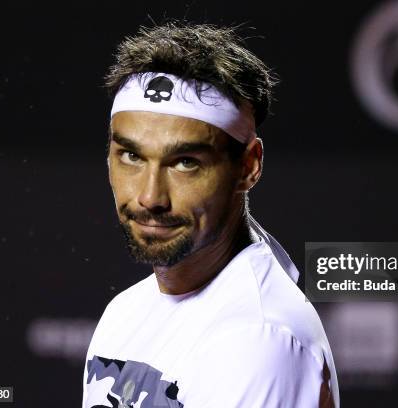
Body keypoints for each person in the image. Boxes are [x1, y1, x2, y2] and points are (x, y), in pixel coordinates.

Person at [82, 21, 339, 408]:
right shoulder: (125, 312)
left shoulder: (258, 340)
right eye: (132, 156)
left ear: (248, 167)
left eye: (185, 162)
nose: (150, 196)